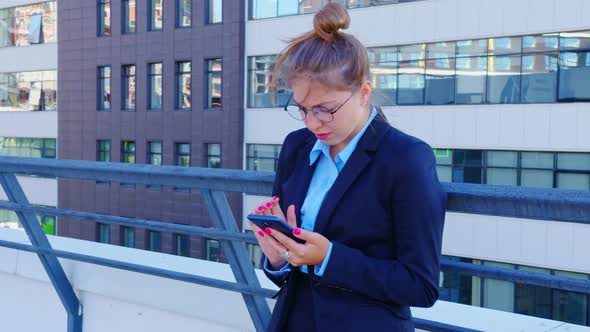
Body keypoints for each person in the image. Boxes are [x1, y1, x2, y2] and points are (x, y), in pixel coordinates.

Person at [248, 3, 446, 331]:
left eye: (325, 109)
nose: (313, 122)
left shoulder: (406, 158)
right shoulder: (297, 147)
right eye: (302, 108)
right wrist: (277, 258)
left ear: (363, 92)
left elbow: (421, 285)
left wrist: (329, 258)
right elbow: (287, 273)